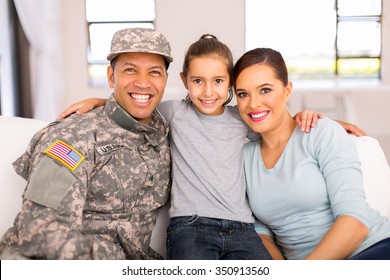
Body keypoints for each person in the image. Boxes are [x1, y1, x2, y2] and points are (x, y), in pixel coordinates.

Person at [56, 35, 365, 260]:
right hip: (190, 225)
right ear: (184, 80)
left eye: (218, 81)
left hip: (243, 227)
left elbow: (277, 123)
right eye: (198, 81)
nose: (208, 91)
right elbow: (136, 104)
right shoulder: (175, 111)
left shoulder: (242, 118)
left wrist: (325, 122)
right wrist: (97, 102)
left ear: (230, 83)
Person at [0, 28, 173, 260]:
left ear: (165, 80)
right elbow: (39, 230)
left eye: (154, 72)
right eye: (130, 70)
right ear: (112, 77)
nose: (143, 82)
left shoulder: (163, 133)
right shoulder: (72, 137)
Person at [233, 47, 390, 260]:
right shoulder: (244, 157)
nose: (253, 103)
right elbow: (262, 231)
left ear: (287, 90)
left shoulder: (321, 132)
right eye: (243, 94)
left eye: (265, 90)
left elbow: (356, 222)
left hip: (370, 248)